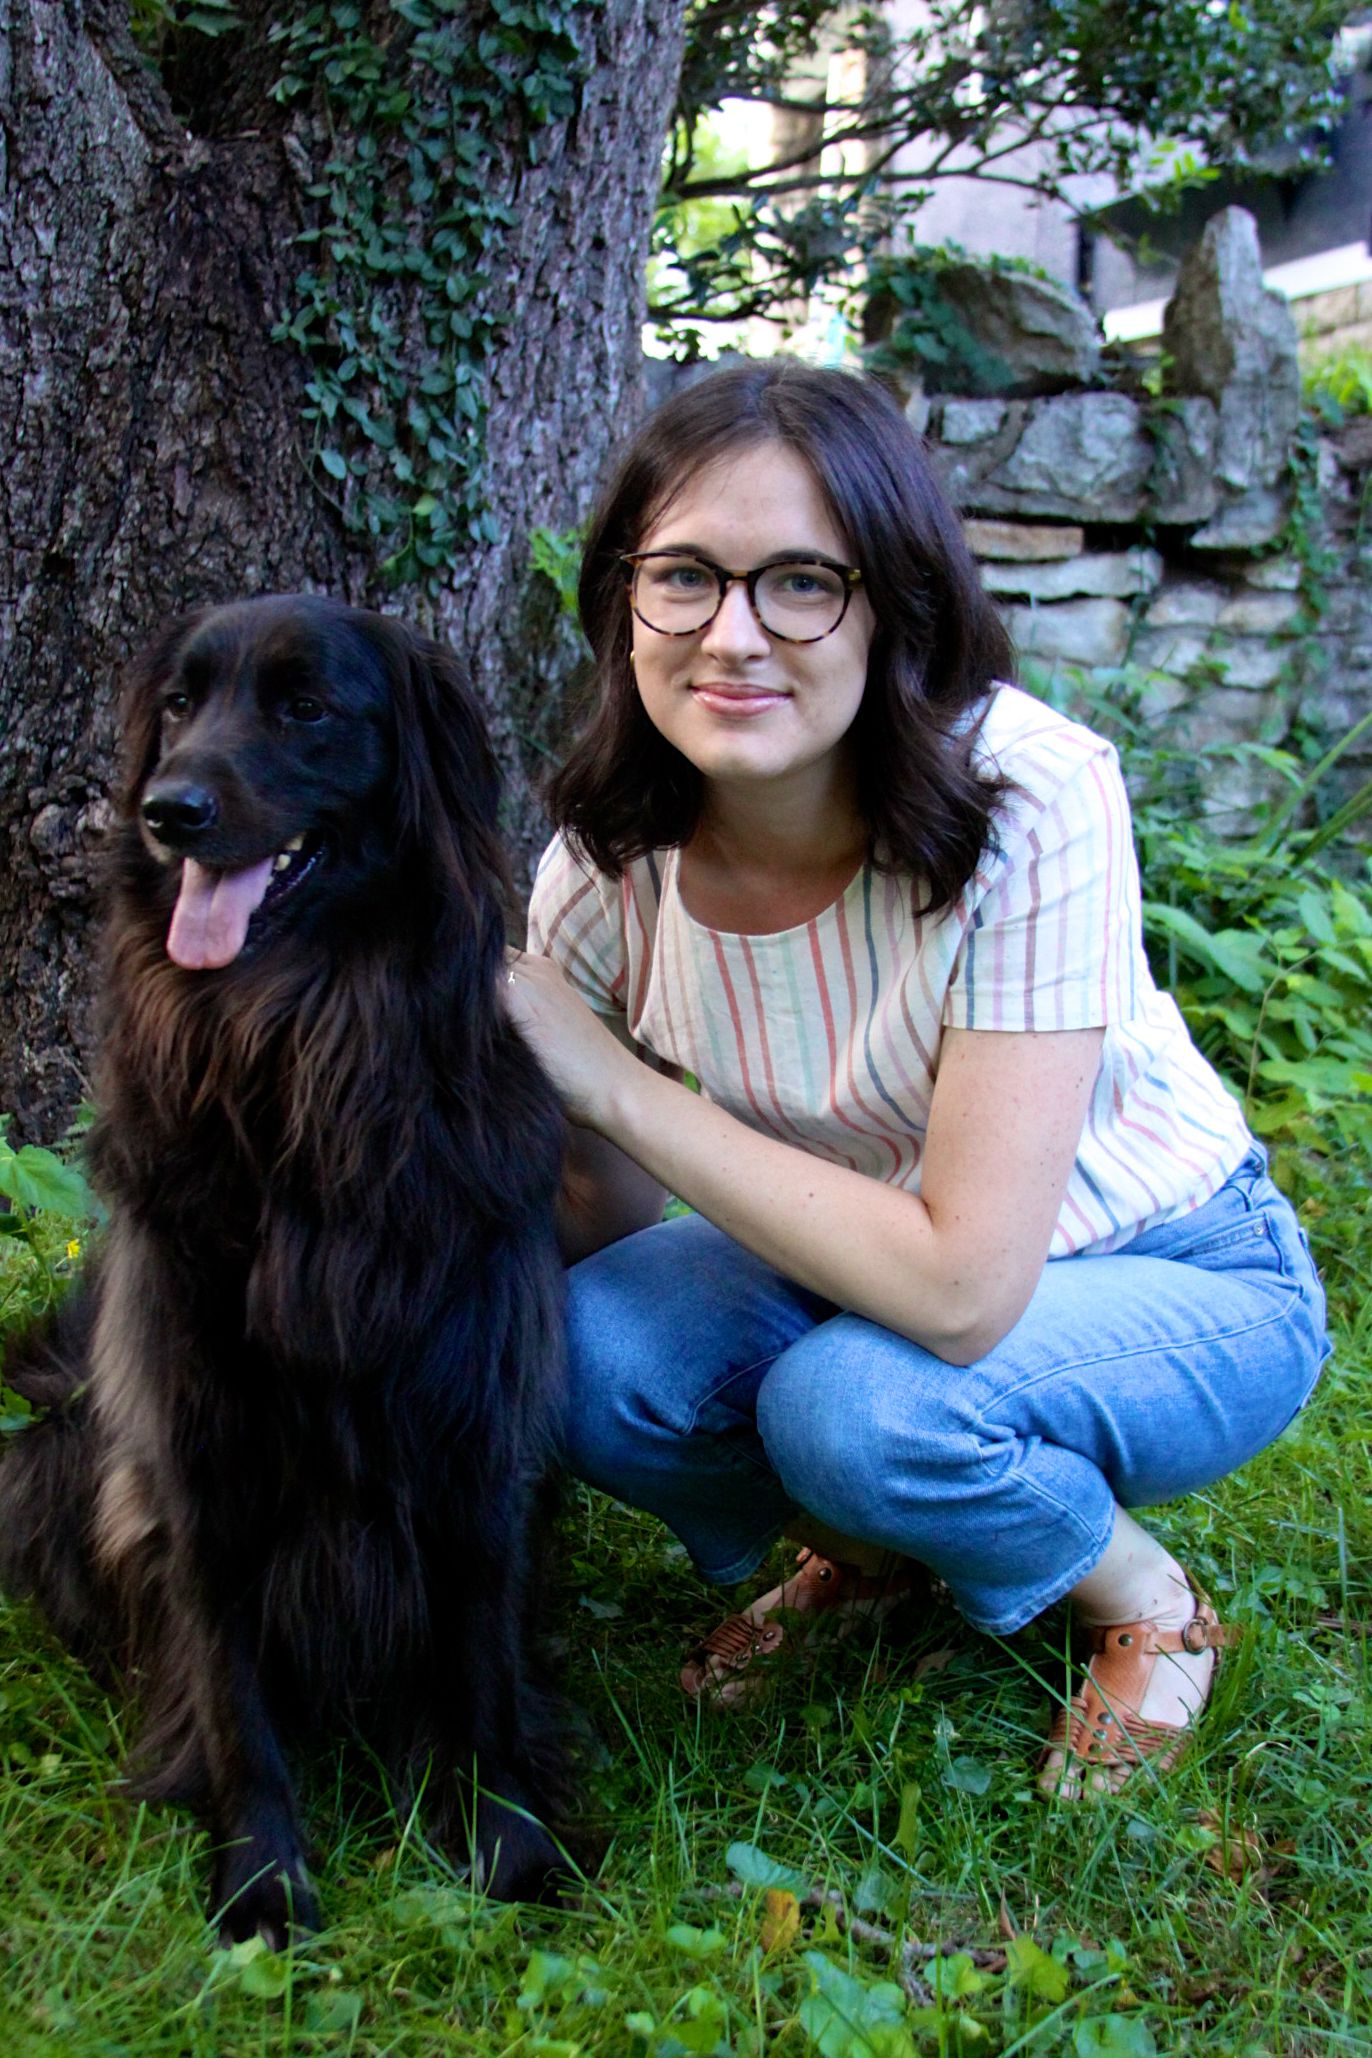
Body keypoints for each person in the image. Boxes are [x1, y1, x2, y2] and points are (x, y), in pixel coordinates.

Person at [504, 360, 1329, 1796]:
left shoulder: (1029, 797)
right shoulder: (611, 860)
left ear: (894, 600)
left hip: (1178, 1267)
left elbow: (961, 1288)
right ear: (624, 598)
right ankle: (879, 1552)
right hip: (854, 1256)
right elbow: (597, 1203)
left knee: (858, 1409)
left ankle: (1144, 1599)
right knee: (576, 1354)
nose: (733, 635)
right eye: (685, 576)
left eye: (801, 583)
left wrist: (623, 1087)